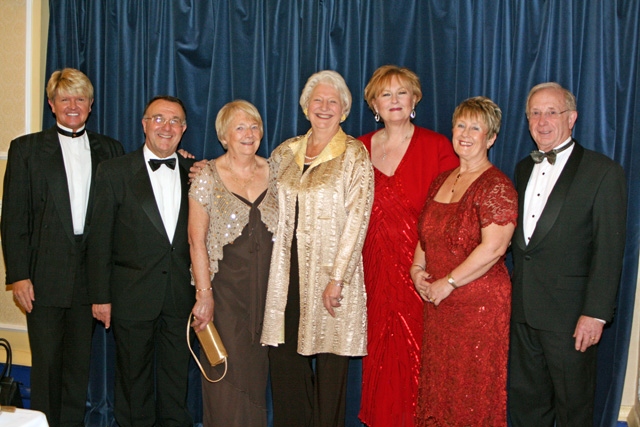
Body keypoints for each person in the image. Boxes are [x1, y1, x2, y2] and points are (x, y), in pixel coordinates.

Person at [0, 68, 124, 427]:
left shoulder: (111, 149)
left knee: (77, 370)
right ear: (51, 104)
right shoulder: (25, 150)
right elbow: (13, 219)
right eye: (65, 98)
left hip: (92, 280)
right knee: (47, 369)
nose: (73, 105)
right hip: (43, 279)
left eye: (80, 98)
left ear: (91, 104)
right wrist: (19, 276)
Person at [508, 82, 627, 427]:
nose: (542, 121)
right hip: (524, 312)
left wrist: (596, 313)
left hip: (572, 318)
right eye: (534, 113)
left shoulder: (603, 172)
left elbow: (610, 249)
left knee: (574, 410)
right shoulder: (523, 169)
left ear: (572, 118)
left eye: (551, 112)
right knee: (528, 406)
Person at [261, 70, 374, 427]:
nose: (324, 107)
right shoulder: (286, 152)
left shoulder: (354, 154)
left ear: (343, 111)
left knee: (329, 369)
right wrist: (202, 167)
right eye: (317, 100)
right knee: (285, 361)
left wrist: (338, 277)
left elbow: (359, 218)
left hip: (330, 277)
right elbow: (255, 187)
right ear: (305, 107)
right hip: (287, 274)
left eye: (332, 102)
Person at [87, 95, 199, 427]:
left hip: (180, 296)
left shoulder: (197, 172)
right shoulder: (113, 171)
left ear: (184, 129)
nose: (167, 127)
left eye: (175, 121)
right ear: (144, 124)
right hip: (130, 296)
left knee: (176, 383)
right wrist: (100, 296)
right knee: (133, 384)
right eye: (159, 119)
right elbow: (99, 239)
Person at [357, 65, 459, 427]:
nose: (395, 100)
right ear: (374, 103)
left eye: (402, 92)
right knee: (381, 354)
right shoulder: (357, 149)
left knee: (420, 355)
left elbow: (453, 214)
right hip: (372, 268)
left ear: (415, 99)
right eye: (386, 94)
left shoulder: (438, 147)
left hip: (421, 267)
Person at [411, 96, 517, 426]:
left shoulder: (497, 186)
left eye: (476, 127)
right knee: (441, 389)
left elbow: (494, 249)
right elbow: (426, 233)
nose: (466, 134)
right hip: (440, 306)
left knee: (471, 394)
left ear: (492, 137)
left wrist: (450, 282)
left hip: (478, 309)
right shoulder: (441, 180)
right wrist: (416, 270)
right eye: (460, 125)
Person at [189, 100, 277, 426]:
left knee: (256, 379)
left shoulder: (276, 171)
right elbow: (196, 241)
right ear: (224, 136)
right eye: (239, 127)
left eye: (254, 126)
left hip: (266, 296)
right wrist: (204, 294)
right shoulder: (207, 176)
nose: (248, 134)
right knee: (224, 379)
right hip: (224, 296)